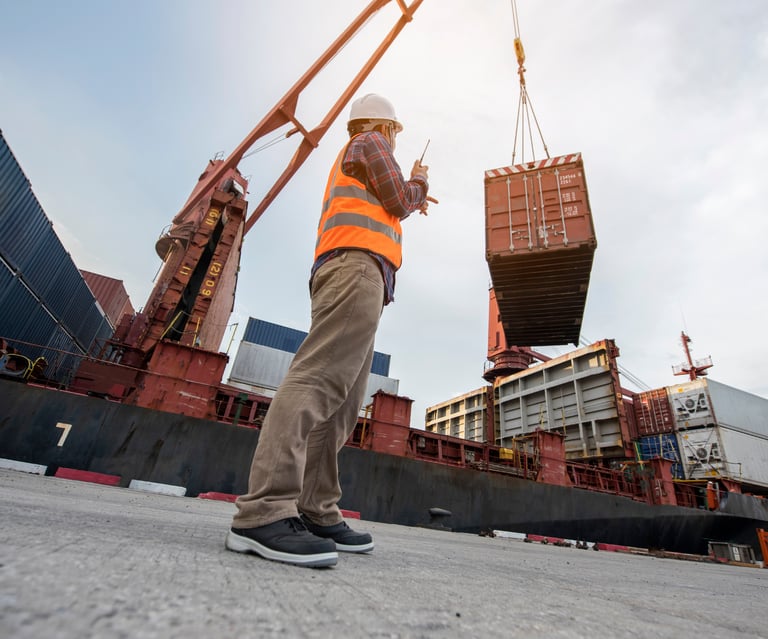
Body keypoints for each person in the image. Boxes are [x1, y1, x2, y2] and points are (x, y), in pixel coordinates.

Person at [226, 93, 432, 568]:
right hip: (354, 270)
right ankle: (263, 513)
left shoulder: (363, 151)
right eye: (396, 133)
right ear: (388, 127)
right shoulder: (370, 140)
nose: (396, 140)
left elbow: (390, 204)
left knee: (343, 404)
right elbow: (401, 200)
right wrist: (419, 182)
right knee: (317, 382)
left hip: (366, 277)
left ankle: (315, 508)